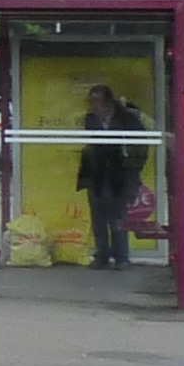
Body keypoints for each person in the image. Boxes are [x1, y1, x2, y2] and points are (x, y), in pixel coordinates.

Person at [78, 85, 145, 268]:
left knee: (118, 216)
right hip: (97, 174)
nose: (94, 105)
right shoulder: (90, 119)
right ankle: (102, 255)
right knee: (98, 217)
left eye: (98, 101)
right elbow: (90, 145)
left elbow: (140, 145)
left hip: (119, 174)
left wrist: (133, 167)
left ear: (108, 101)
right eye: (91, 101)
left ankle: (122, 257)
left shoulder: (126, 118)